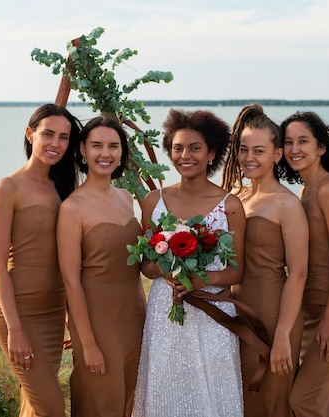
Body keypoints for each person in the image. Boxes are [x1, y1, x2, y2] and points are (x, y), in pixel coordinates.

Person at [132, 108, 246, 417]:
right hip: (164, 311)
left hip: (213, 310)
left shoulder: (230, 205)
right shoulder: (153, 202)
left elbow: (237, 270)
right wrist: (164, 269)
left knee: (213, 388)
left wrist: (200, 280)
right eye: (178, 148)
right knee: (165, 386)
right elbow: (145, 265)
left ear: (211, 153)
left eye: (195, 147)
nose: (186, 155)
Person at [0, 103, 82, 417]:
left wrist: (70, 315)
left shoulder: (64, 187)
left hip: (53, 311)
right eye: (48, 134)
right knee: (53, 407)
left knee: (35, 403)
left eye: (64, 137)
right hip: (17, 311)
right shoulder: (8, 187)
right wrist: (14, 328)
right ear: (30, 134)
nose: (56, 143)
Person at [221, 104, 309, 416]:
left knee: (273, 399)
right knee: (242, 398)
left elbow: (298, 274)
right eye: (244, 150)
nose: (249, 158)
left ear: (276, 154)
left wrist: (283, 335)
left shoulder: (287, 204)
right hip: (234, 312)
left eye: (259, 150)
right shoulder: (235, 195)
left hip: (274, 314)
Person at [57, 115, 147, 417]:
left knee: (132, 401)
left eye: (113, 146)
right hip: (98, 323)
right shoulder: (72, 208)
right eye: (96, 145)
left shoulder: (126, 198)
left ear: (122, 152)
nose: (104, 154)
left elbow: (139, 263)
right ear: (82, 149)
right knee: (102, 403)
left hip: (136, 316)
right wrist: (88, 343)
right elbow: (71, 282)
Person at [278, 111, 329, 417]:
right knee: (321, 394)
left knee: (303, 399)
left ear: (320, 148)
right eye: (288, 142)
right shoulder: (304, 190)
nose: (294, 149)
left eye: (303, 141)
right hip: (311, 309)